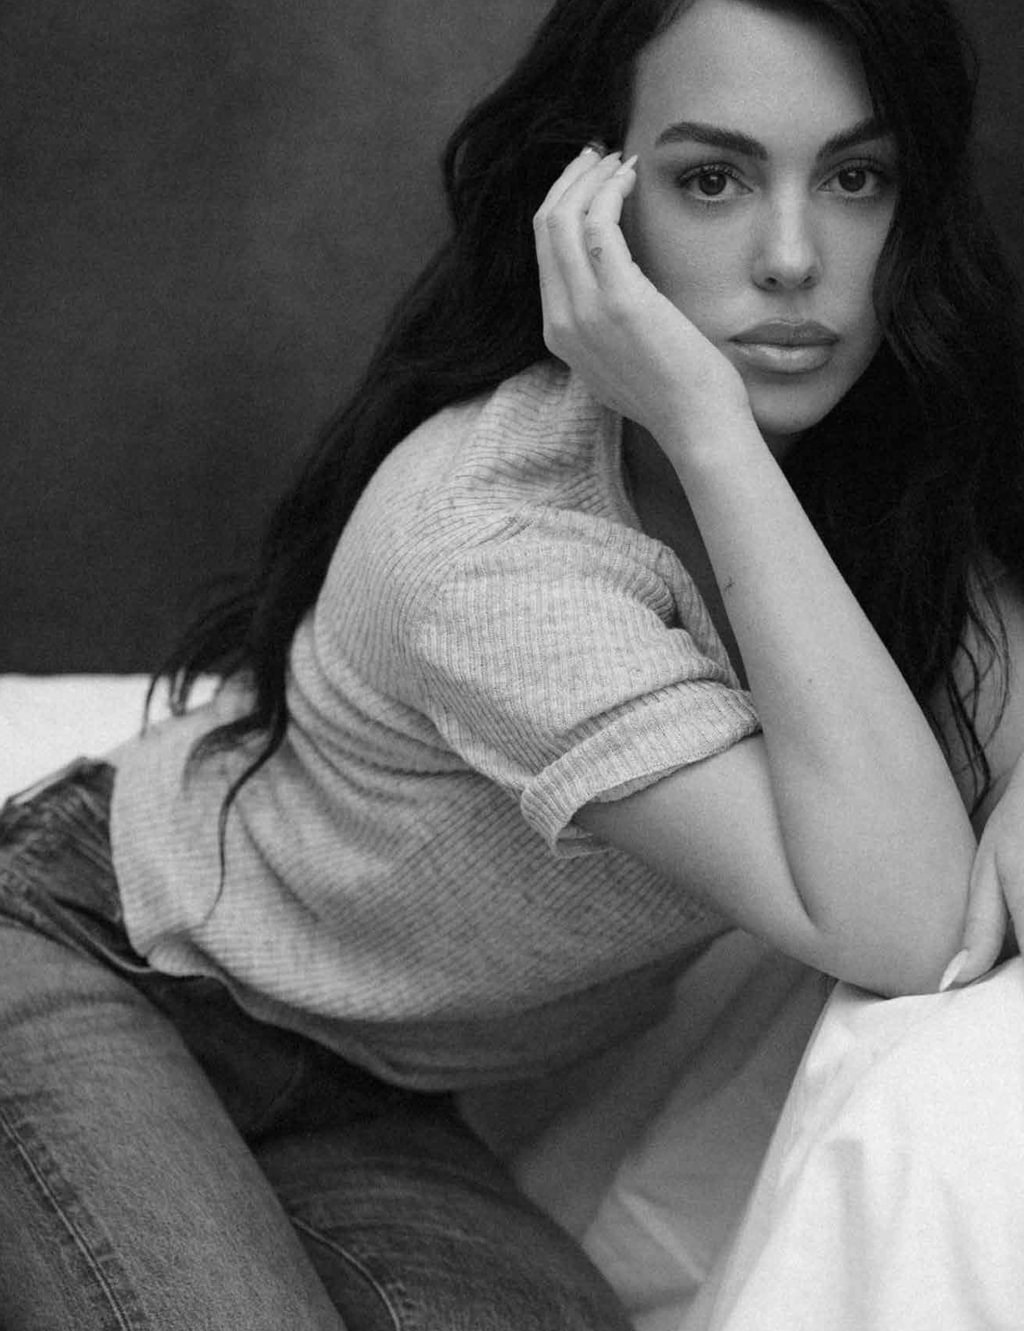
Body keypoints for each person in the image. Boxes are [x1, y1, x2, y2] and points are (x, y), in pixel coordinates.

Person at [1, 0, 1022, 1326]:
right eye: (711, 180)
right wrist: (708, 428)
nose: (792, 259)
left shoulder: (890, 474)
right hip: (95, 960)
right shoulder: (490, 545)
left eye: (855, 177)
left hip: (373, 1089)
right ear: (591, 208)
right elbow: (912, 926)